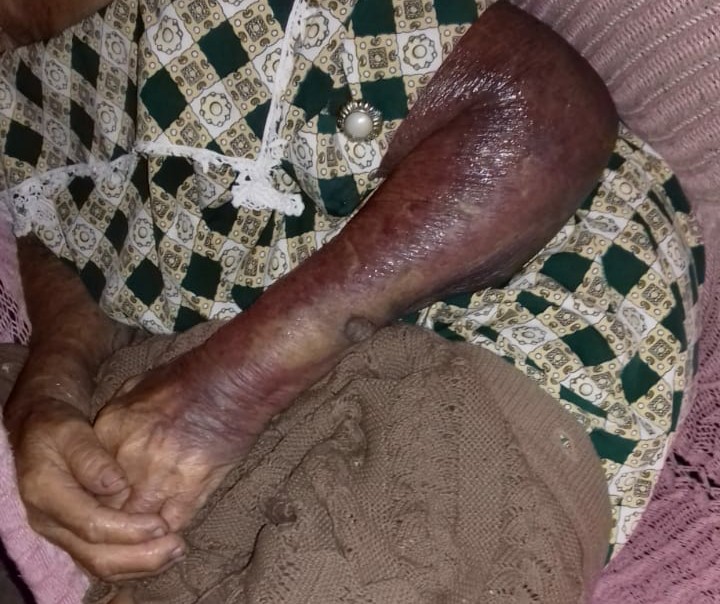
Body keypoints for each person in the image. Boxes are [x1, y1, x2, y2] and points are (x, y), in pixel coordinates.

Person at [0, 0, 703, 591]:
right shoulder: (17, 79)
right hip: (215, 360)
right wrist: (49, 392)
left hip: (495, 318)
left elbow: (544, 121)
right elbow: (69, 233)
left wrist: (221, 396)